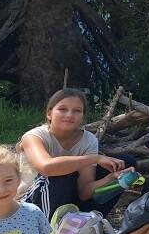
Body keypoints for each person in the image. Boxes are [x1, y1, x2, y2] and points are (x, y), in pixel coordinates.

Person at [18, 88, 136, 221]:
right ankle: (47, 233)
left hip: (69, 199)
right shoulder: (34, 136)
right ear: (49, 113)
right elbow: (47, 167)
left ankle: (89, 222)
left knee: (124, 163)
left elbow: (84, 192)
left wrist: (112, 178)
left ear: (82, 117)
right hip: (30, 203)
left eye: (77, 111)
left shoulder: (88, 140)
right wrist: (95, 158)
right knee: (63, 174)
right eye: (62, 109)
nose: (69, 115)